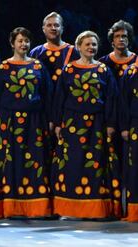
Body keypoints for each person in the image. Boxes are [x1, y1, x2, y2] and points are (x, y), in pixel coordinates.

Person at [0, 27, 53, 219]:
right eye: (20, 41)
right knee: (8, 162)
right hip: (8, 122)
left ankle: (35, 208)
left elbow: (47, 96)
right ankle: (7, 207)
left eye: (26, 41)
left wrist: (50, 120)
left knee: (33, 162)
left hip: (33, 122)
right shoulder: (3, 68)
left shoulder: (38, 67)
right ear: (12, 43)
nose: (24, 44)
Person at [52, 31, 118, 219]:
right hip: (72, 123)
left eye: (94, 44)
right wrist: (57, 123)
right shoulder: (69, 70)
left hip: (97, 124)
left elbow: (112, 99)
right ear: (79, 47)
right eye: (87, 44)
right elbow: (59, 98)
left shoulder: (103, 70)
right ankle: (70, 209)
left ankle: (95, 209)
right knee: (72, 163)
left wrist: (111, 123)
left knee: (95, 165)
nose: (91, 47)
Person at [99, 20, 136, 218]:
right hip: (110, 121)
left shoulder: (137, 62)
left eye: (124, 36)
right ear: (111, 40)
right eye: (117, 36)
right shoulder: (104, 63)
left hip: (132, 120)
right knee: (112, 165)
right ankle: (113, 208)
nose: (121, 39)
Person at [30, 12, 79, 87]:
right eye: (49, 25)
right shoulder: (35, 52)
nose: (53, 28)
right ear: (43, 29)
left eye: (56, 25)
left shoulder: (73, 51)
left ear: (62, 29)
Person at [119, 57, 138, 222]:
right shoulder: (131, 71)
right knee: (135, 167)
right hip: (135, 124)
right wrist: (124, 127)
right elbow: (123, 101)